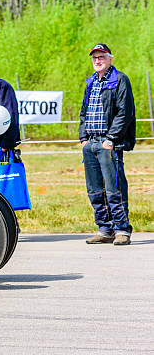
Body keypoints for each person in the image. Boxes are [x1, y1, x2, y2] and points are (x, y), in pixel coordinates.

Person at [79, 43, 136, 246]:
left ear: (110, 58)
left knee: (115, 188)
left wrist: (110, 139)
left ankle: (122, 229)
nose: (97, 60)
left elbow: (124, 112)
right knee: (94, 189)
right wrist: (83, 139)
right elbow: (84, 113)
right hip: (91, 143)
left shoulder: (119, 80)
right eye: (94, 57)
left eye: (101, 56)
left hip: (108, 143)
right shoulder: (90, 82)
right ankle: (104, 228)